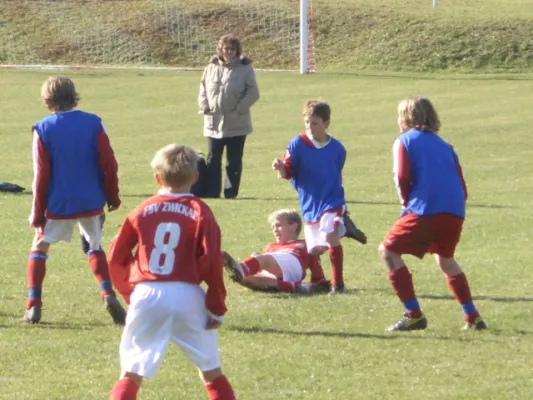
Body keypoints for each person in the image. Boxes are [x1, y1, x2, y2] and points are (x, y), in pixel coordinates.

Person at [107, 144, 236, 400]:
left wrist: (130, 293)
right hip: (187, 293)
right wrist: (216, 305)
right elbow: (211, 259)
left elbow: (115, 257)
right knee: (211, 370)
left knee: (131, 371)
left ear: (157, 177)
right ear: (195, 177)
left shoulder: (141, 210)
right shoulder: (201, 211)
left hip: (147, 292)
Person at [378, 96, 487, 331]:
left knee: (388, 251)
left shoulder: (404, 141)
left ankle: (413, 314)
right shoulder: (445, 146)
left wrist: (406, 204)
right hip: (455, 209)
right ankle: (473, 317)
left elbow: (401, 177)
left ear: (405, 118)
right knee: (445, 258)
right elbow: (460, 181)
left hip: (426, 207)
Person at [24, 76, 126, 325]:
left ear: (47, 100)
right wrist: (112, 195)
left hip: (58, 202)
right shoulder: (94, 123)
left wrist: (37, 213)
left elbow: (41, 175)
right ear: (73, 96)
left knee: (39, 248)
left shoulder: (43, 128)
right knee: (94, 247)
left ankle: (33, 305)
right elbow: (109, 163)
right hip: (91, 200)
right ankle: (108, 294)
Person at [272, 100, 367, 296]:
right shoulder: (297, 143)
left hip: (332, 200)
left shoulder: (338, 149)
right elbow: (288, 171)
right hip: (310, 203)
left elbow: (335, 171)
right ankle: (344, 231)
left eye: (314, 122)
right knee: (316, 249)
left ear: (326, 123)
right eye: (307, 122)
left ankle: (338, 285)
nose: (309, 126)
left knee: (329, 234)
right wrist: (280, 167)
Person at [198, 33, 260, 199]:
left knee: (233, 161)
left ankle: (231, 192)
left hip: (237, 122)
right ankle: (212, 191)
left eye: (233, 49)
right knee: (213, 158)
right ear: (221, 49)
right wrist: (204, 105)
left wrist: (241, 107)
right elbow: (202, 88)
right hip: (213, 121)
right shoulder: (210, 68)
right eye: (226, 48)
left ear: (237, 51)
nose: (229, 52)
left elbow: (253, 92)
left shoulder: (245, 69)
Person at [222, 209, 331, 294]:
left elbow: (315, 264)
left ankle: (240, 268)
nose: (274, 230)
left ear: (294, 226)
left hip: (293, 262)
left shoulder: (304, 244)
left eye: (278, 225)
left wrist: (319, 281)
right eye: (273, 226)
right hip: (274, 270)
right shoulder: (271, 246)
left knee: (262, 259)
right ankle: (292, 287)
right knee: (245, 279)